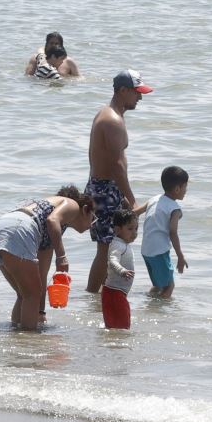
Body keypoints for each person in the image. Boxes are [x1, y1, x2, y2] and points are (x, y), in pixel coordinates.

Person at [0, 186, 92, 331]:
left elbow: (41, 275)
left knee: (25, 294)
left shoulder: (53, 232)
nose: (92, 225)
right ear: (85, 209)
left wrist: (40, 313)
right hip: (18, 229)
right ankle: (28, 341)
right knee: (31, 295)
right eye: (93, 217)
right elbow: (52, 220)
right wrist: (62, 257)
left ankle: (16, 335)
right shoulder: (72, 205)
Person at [85, 70, 151, 294]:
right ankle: (93, 300)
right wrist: (131, 199)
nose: (139, 98)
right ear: (123, 91)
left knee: (106, 249)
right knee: (105, 251)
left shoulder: (108, 114)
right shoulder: (112, 120)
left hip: (104, 187)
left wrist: (118, 192)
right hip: (104, 189)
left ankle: (99, 297)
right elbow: (117, 165)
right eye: (136, 93)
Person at [141, 165, 188, 298]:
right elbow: (173, 232)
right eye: (185, 187)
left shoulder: (154, 199)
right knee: (169, 286)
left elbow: (135, 212)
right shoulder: (175, 208)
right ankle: (158, 313)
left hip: (146, 251)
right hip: (159, 252)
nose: (186, 190)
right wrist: (180, 255)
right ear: (178, 188)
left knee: (158, 285)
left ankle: (150, 303)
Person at [100, 208, 140, 330]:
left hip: (115, 292)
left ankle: (112, 345)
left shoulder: (123, 244)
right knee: (122, 327)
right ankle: (116, 346)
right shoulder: (117, 245)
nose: (134, 233)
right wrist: (122, 271)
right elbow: (112, 261)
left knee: (115, 327)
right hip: (114, 293)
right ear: (117, 230)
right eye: (130, 229)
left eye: (136, 228)